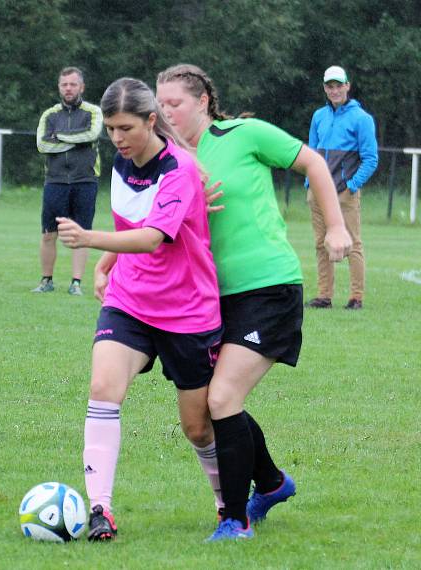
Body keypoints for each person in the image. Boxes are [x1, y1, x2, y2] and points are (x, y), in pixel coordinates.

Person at [156, 64, 351, 541]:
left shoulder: (244, 134)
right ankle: (271, 483)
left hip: (269, 289)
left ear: (202, 101)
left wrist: (337, 227)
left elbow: (314, 164)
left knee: (223, 398)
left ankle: (234, 519)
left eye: (174, 104)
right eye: (159, 106)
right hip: (206, 299)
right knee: (206, 410)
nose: (165, 113)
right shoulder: (168, 160)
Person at [57, 78, 224, 541]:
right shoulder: (122, 162)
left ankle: (225, 503)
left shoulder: (180, 169)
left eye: (125, 128)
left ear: (151, 121)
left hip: (187, 310)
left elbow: (154, 236)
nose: (117, 138)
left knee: (197, 427)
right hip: (130, 300)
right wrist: (108, 263)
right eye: (110, 129)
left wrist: (90, 242)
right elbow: (130, 223)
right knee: (102, 387)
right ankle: (100, 511)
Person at [306, 65, 378, 310]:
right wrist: (309, 183)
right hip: (317, 192)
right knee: (320, 243)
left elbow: (371, 158)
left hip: (345, 193)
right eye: (330, 86)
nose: (335, 90)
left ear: (348, 85)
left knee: (353, 244)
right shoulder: (319, 116)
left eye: (339, 85)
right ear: (325, 88)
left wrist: (352, 185)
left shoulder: (362, 119)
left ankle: (356, 298)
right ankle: (324, 296)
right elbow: (312, 153)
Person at [33, 67, 103, 296]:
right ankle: (46, 280)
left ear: (81, 87)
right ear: (59, 87)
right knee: (48, 233)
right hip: (55, 180)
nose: (68, 88)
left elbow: (92, 135)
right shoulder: (50, 115)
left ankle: (76, 283)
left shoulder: (93, 112)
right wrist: (75, 141)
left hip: (85, 179)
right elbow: (42, 145)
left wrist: (59, 137)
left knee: (81, 233)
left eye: (73, 84)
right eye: (64, 84)